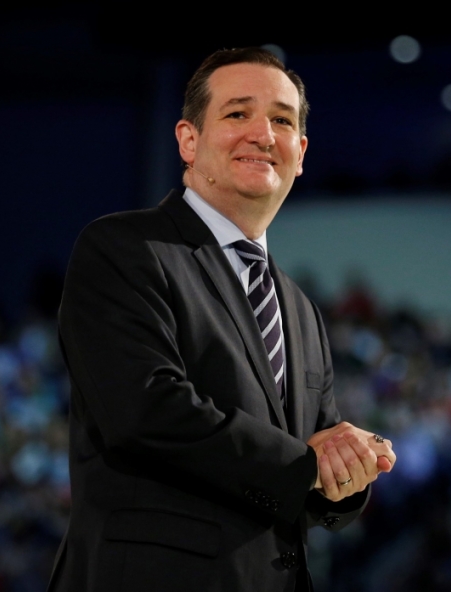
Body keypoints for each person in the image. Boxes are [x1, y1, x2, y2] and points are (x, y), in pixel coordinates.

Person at [45, 48, 396, 592]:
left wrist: (347, 473)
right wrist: (306, 465)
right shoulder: (125, 248)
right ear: (188, 139)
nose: (262, 133)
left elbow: (312, 457)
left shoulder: (300, 309)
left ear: (300, 152)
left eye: (282, 120)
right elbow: (146, 412)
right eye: (237, 114)